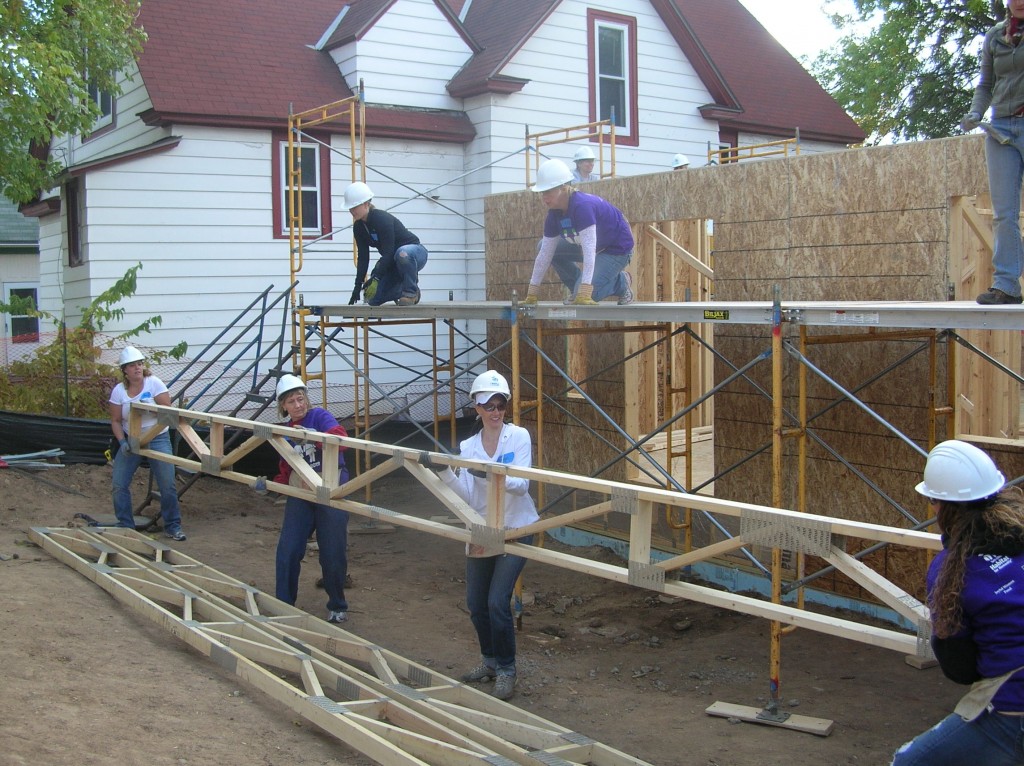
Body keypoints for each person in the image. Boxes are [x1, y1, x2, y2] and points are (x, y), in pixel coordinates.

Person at [891, 440, 1024, 765]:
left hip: (1013, 706)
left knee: (908, 762)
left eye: (933, 501)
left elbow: (960, 667)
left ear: (943, 504)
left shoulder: (952, 570)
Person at [423, 370, 539, 700]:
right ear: (477, 407)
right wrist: (446, 471)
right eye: (488, 405)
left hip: (517, 528)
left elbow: (522, 485)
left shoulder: (518, 437)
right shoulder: (469, 446)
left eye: (500, 405)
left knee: (496, 602)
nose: (495, 411)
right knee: (476, 604)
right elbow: (467, 497)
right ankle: (489, 661)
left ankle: (506, 669)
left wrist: (486, 472)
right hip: (482, 528)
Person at [272, 374, 351, 624]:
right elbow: (285, 468)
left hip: (331, 489)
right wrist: (273, 485)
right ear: (283, 407)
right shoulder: (282, 432)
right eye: (292, 401)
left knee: (332, 552)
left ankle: (337, 604)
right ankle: (283, 604)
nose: (298, 404)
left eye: (301, 398)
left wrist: (314, 436)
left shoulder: (319, 416)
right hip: (302, 493)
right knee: (289, 548)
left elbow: (342, 440)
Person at [962, 1, 1024, 305]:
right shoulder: (995, 35)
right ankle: (1007, 285)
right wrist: (975, 112)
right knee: (1004, 213)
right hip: (1000, 128)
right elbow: (985, 84)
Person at [522, 158, 634, 306]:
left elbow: (589, 251)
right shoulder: (553, 214)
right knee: (541, 246)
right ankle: (577, 288)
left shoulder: (582, 207)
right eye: (542, 192)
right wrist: (532, 292)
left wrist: (585, 290)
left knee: (588, 294)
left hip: (616, 249)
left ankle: (621, 282)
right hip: (592, 246)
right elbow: (544, 254)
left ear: (563, 187)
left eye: (548, 191)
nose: (544, 197)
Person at [108, 346, 186, 540]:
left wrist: (151, 409)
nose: (137, 368)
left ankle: (172, 525)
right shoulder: (119, 392)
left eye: (140, 364)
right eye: (133, 365)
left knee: (167, 484)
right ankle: (126, 524)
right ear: (124, 370)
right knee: (119, 483)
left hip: (157, 437)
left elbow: (169, 412)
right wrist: (122, 442)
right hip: (132, 439)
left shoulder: (154, 384)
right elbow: (116, 421)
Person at [345, 181, 428, 307]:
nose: (352, 211)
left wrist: (377, 277)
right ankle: (399, 291)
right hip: (393, 260)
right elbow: (363, 258)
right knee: (372, 299)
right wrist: (358, 286)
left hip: (414, 253)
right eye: (350, 208)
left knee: (402, 254)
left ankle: (411, 292)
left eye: (355, 206)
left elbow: (389, 252)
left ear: (366, 204)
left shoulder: (381, 219)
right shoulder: (359, 227)